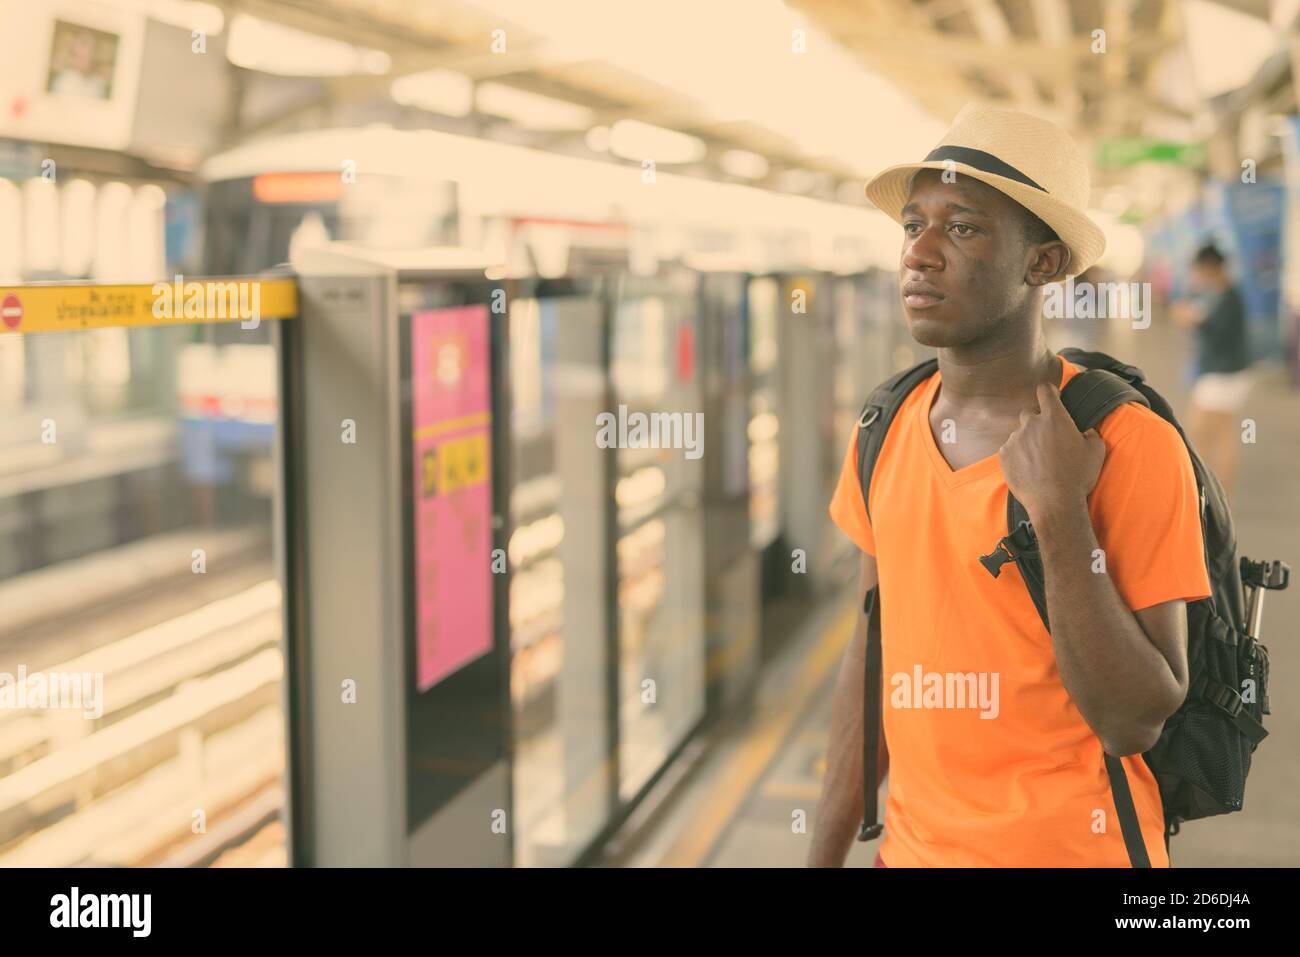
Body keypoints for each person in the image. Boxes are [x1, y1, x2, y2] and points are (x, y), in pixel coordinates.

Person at [808, 105, 1211, 868]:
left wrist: (1059, 512)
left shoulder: (1129, 445)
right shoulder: (881, 430)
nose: (920, 253)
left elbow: (1134, 720)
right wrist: (824, 853)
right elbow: (873, 649)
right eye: (912, 225)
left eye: (962, 228)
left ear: (1044, 264)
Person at [1170, 243, 1252, 502]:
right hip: (1230, 373)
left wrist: (1191, 320)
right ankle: (1219, 495)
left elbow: (1216, 334)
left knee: (1199, 435)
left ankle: (1205, 494)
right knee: (1224, 434)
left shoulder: (1226, 296)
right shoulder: (1224, 292)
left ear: (1208, 267)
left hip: (1221, 375)